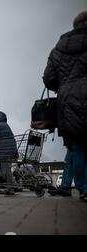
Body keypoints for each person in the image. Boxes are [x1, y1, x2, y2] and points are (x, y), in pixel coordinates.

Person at [42, 11, 87, 201]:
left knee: (77, 147)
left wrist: (64, 85)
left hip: (67, 101)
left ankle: (83, 188)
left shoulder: (58, 50)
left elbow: (49, 79)